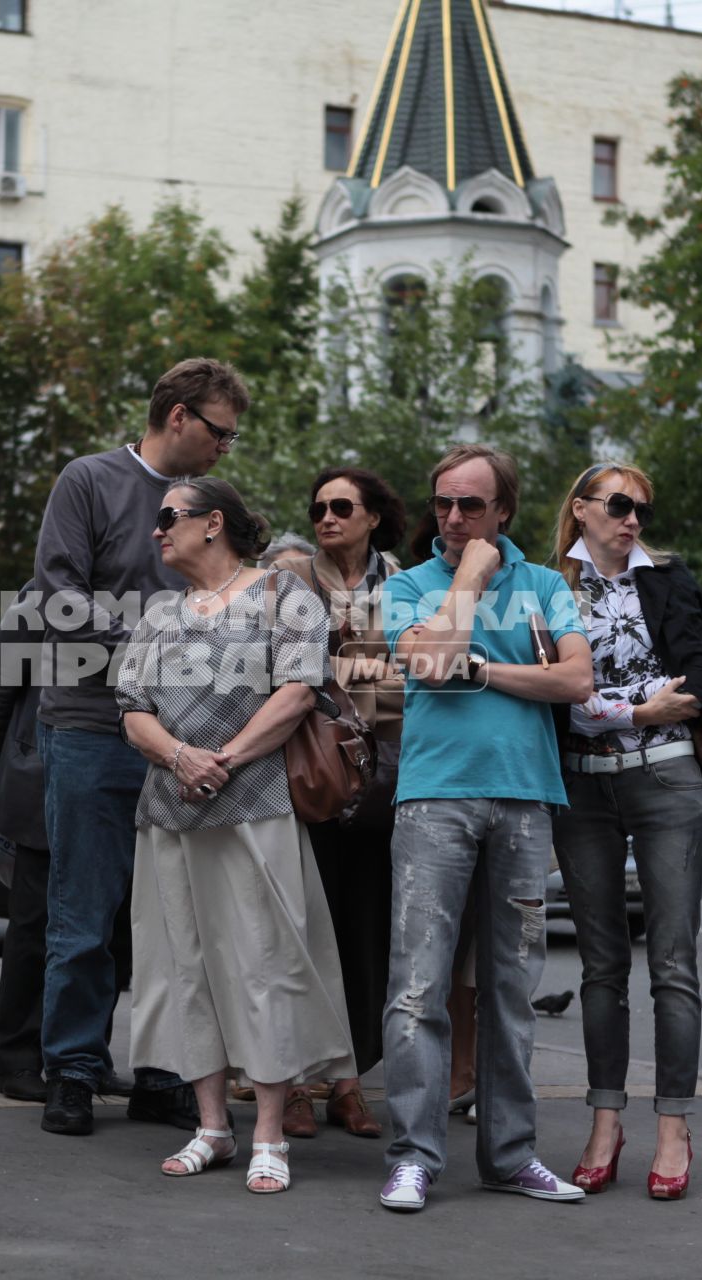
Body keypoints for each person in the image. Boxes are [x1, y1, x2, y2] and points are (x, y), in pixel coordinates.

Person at [116, 477, 354, 1194]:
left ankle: (272, 1132)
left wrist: (225, 760)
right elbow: (131, 706)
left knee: (264, 961)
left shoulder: (284, 597)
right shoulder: (159, 612)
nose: (157, 530)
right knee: (181, 965)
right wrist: (180, 757)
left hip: (254, 806)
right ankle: (213, 1127)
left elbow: (298, 691)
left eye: (169, 518)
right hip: (168, 813)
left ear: (213, 522)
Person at [34, 356, 250, 1137]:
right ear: (181, 416)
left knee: (173, 920)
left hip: (186, 737)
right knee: (85, 912)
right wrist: (160, 640)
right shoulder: (88, 481)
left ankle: (165, 1073)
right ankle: (74, 1071)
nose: (228, 448)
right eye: (221, 432)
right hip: (92, 727)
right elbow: (56, 596)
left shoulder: (215, 505)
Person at [376, 443, 593, 1214]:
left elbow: (576, 680)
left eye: (472, 505)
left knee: (511, 988)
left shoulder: (542, 585)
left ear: (504, 509)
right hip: (435, 798)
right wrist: (468, 577)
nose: (455, 517)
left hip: (527, 799)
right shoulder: (407, 584)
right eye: (443, 504)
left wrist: (486, 671)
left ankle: (510, 1156)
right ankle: (413, 1156)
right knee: (418, 987)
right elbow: (430, 664)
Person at [552, 461, 702, 1200]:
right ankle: (606, 1119)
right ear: (581, 510)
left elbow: (699, 677)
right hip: (581, 782)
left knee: (673, 961)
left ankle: (674, 1126)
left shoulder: (670, 581)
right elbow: (562, 699)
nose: (631, 518)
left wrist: (620, 702)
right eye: (616, 504)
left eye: (641, 506)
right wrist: (639, 706)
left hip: (669, 777)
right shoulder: (550, 588)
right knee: (601, 967)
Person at [270, 465, 408, 1140]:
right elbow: (278, 667)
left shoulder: (403, 580)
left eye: (342, 506)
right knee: (299, 933)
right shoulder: (291, 576)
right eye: (318, 506)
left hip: (383, 782)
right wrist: (364, 668)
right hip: (306, 775)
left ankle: (349, 1085)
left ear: (373, 515)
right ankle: (294, 1085)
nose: (327, 517)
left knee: (364, 933)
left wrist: (344, 668)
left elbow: (418, 674)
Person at [0, 584, 135, 1101]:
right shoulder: (45, 593)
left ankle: (85, 1057)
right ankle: (19, 1057)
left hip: (117, 775)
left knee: (108, 928)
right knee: (35, 923)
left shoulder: (152, 588)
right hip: (43, 770)